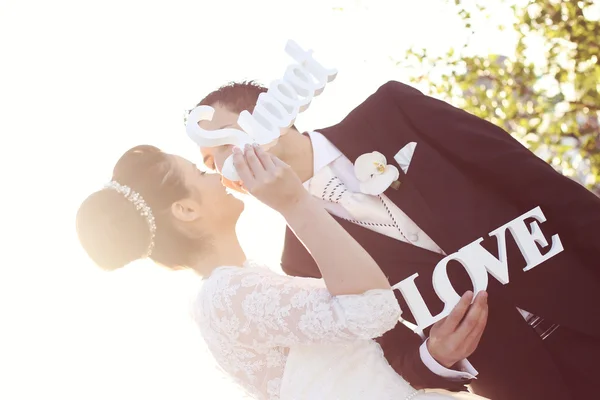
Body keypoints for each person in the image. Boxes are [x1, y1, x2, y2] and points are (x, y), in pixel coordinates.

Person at [195, 80, 600, 400]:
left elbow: (538, 184)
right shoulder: (301, 261)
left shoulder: (392, 112)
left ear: (271, 114)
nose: (230, 170)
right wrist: (434, 357)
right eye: (216, 166)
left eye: (226, 145)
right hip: (529, 386)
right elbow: (391, 355)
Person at [76, 144, 473, 400]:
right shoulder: (226, 296)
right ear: (186, 210)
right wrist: (294, 201)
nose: (214, 175)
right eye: (198, 175)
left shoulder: (237, 288)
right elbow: (374, 309)